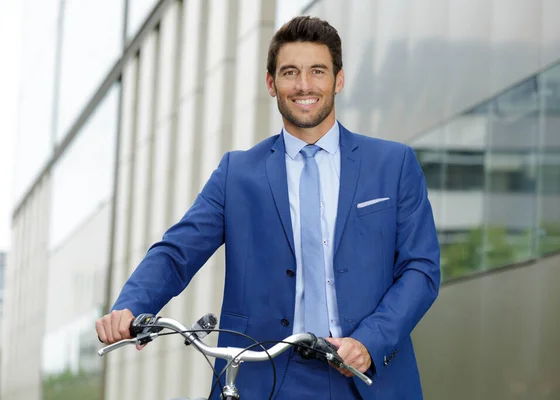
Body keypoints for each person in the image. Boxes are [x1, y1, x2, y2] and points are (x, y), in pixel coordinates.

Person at [96, 15, 440, 400]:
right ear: (271, 83)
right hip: (262, 377)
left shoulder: (393, 165)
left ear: (338, 80)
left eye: (318, 71)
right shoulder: (237, 173)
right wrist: (129, 308)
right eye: (290, 72)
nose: (304, 85)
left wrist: (368, 341)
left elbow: (421, 269)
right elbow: (177, 252)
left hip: (364, 373)